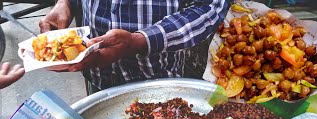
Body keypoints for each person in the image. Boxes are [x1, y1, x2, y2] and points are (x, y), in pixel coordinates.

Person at [39, 0, 233, 94]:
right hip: (97, 74)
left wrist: (138, 41)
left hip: (158, 77)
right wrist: (65, 4)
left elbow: (210, 7)